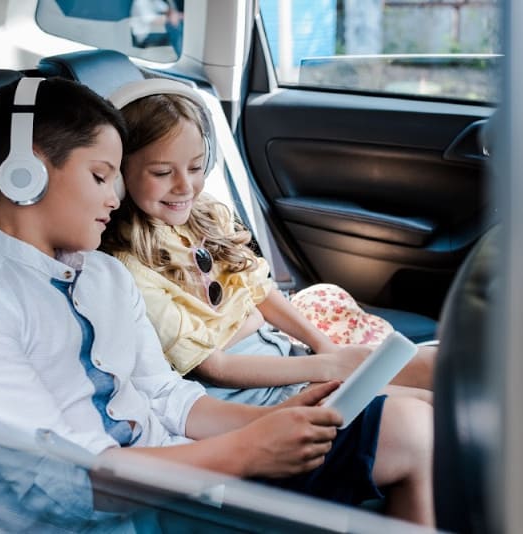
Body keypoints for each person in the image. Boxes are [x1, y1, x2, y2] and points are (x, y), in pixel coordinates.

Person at [0, 76, 434, 532]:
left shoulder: (104, 277)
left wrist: (268, 422)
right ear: (28, 172)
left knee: (411, 429)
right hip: (125, 518)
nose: (114, 198)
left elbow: (166, 395)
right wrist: (246, 452)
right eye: (99, 175)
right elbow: (67, 490)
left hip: (193, 486)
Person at [101, 80, 436, 408]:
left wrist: (325, 347)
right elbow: (215, 367)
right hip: (253, 392)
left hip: (286, 353)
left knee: (437, 369)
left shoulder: (205, 214)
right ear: (118, 173)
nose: (185, 186)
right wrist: (328, 367)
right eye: (162, 172)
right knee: (424, 406)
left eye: (195, 167)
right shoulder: (130, 269)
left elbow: (257, 290)